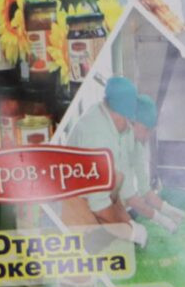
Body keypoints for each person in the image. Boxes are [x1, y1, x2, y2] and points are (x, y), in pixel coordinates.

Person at [62, 76, 148, 247]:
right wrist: (131, 233)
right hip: (71, 205)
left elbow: (116, 189)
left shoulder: (110, 123)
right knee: (85, 254)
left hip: (92, 199)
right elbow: (100, 207)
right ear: (120, 115)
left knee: (118, 178)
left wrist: (129, 223)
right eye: (129, 120)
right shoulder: (98, 137)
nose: (130, 127)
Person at [125, 94, 185, 233]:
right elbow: (127, 194)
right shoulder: (118, 144)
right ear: (132, 121)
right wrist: (159, 218)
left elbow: (144, 189)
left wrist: (167, 209)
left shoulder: (137, 146)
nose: (147, 136)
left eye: (150, 131)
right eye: (146, 129)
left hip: (124, 207)